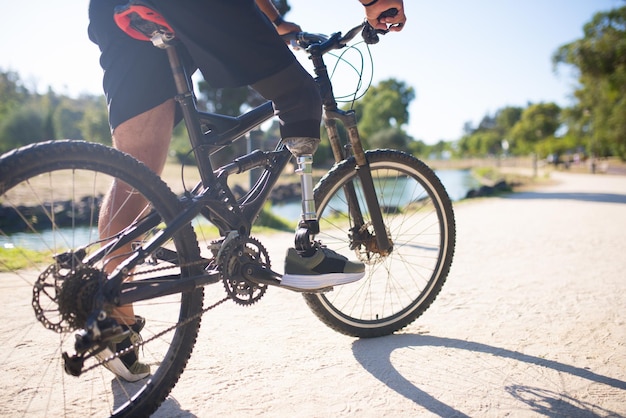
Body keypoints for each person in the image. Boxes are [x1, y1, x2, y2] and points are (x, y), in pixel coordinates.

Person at [88, 0, 406, 381]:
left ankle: (110, 318)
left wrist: (274, 21)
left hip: (117, 10)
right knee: (301, 95)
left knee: (136, 168)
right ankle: (307, 249)